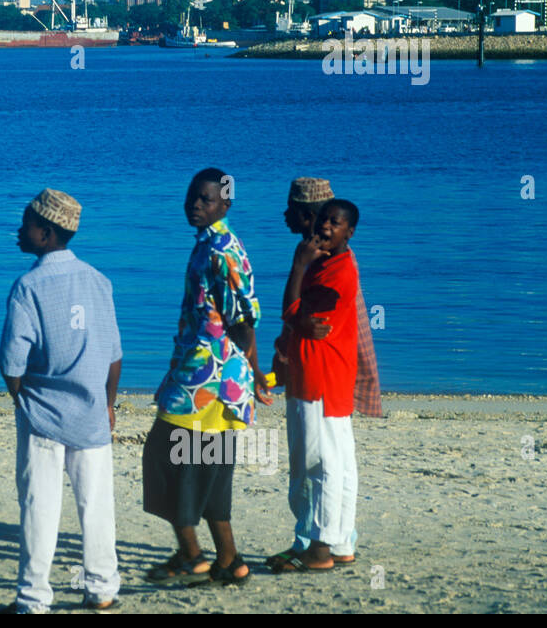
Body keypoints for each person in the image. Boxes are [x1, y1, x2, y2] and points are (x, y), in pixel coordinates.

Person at [0, 188, 123, 613]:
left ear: (46, 233)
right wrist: (108, 405)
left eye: (26, 223)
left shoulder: (28, 286)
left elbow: (11, 363)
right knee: (97, 507)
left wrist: (22, 402)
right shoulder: (98, 281)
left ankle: (33, 599)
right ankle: (103, 589)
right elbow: (114, 355)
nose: (19, 230)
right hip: (91, 415)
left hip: (43, 417)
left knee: (39, 508)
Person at [143, 168, 270, 587]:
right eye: (192, 197)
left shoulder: (221, 248)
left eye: (207, 199)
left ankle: (192, 555)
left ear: (226, 204)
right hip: (210, 377)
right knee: (210, 469)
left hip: (208, 381)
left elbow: (243, 320)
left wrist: (255, 373)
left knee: (167, 457)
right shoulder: (210, 243)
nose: (196, 205)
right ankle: (230, 561)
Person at [272, 198, 361, 573]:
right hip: (324, 378)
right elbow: (297, 321)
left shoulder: (337, 271)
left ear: (349, 232)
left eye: (334, 223)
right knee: (336, 464)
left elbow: (298, 315)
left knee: (317, 462)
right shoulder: (328, 263)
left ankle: (319, 548)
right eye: (324, 220)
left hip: (319, 380)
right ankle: (338, 542)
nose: (325, 227)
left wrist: (297, 265)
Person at [272, 178, 382, 419]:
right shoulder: (323, 256)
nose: (285, 214)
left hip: (323, 376)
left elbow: (299, 317)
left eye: (291, 209)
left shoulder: (333, 264)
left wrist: (298, 265)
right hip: (319, 371)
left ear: (308, 216)